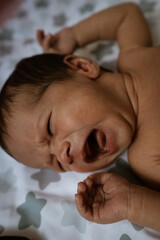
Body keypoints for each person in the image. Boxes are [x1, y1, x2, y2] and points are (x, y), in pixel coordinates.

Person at [0, 2, 160, 232]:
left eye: (49, 129)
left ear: (83, 67)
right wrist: (133, 204)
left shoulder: (135, 55)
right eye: (57, 164)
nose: (63, 156)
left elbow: (126, 14)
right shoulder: (147, 158)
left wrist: (73, 36)